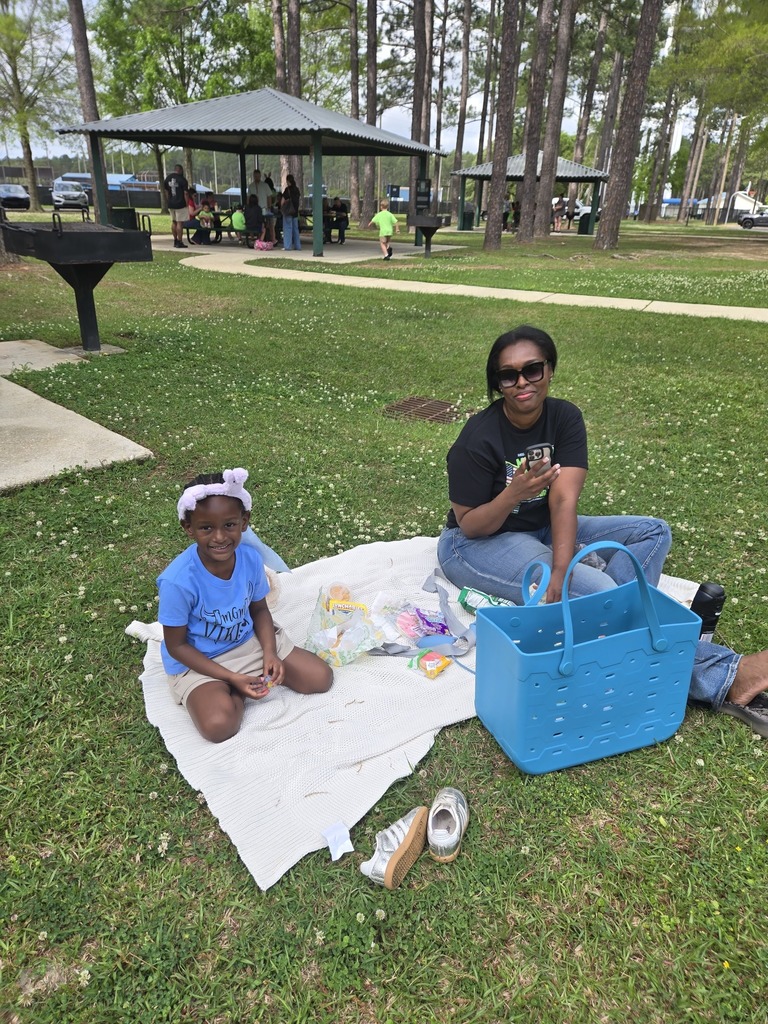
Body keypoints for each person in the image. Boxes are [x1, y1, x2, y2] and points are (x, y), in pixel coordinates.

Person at [437, 324, 768, 735]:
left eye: (532, 369)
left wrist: (561, 570)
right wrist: (514, 493)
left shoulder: (564, 417)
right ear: (498, 384)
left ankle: (618, 621)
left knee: (652, 533)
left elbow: (563, 501)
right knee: (603, 593)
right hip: (478, 543)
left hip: (540, 527)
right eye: (508, 375)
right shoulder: (478, 439)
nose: (522, 382)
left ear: (550, 370)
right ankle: (724, 675)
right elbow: (469, 525)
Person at [157, 469, 332, 743]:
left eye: (229, 525)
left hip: (246, 642)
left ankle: (241, 680)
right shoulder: (177, 582)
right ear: (188, 528)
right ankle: (233, 688)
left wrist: (270, 653)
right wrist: (232, 678)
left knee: (320, 678)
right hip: (202, 660)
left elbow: (259, 609)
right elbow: (176, 646)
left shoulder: (249, 559)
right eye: (206, 528)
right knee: (218, 726)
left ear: (244, 522)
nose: (219, 537)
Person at [164, 163, 189, 249]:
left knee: (174, 222)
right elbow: (185, 193)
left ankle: (175, 240)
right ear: (181, 170)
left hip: (171, 203)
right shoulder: (183, 180)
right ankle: (180, 241)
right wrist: (187, 203)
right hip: (180, 204)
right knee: (179, 223)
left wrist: (168, 200)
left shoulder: (168, 178)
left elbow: (166, 191)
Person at [248, 169, 276, 243]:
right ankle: (253, 239)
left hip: (264, 208)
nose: (256, 177)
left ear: (260, 176)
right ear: (253, 176)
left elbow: (269, 196)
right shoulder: (251, 186)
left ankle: (273, 239)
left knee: (269, 224)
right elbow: (248, 198)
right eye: (255, 176)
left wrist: (269, 206)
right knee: (254, 223)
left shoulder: (265, 185)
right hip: (254, 209)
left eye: (258, 176)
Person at [280, 173, 301, 251]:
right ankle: (298, 246)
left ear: (288, 181)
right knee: (295, 229)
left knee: (287, 229)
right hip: (295, 212)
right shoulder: (297, 189)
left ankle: (287, 246)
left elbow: (282, 201)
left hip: (288, 212)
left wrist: (282, 208)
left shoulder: (287, 190)